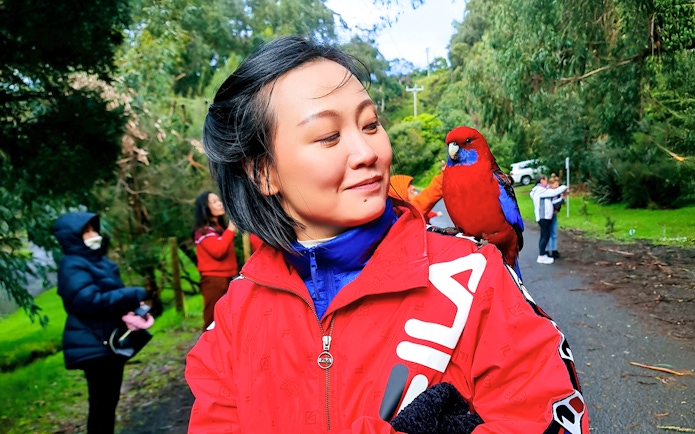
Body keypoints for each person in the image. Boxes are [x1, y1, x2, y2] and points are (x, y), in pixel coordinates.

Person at [185, 36, 589, 433]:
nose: (368, 152)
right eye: (329, 136)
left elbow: (548, 409)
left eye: (371, 124)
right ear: (263, 172)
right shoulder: (235, 315)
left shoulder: (475, 280)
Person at [53, 212, 153, 434]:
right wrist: (131, 294)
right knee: (101, 404)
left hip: (106, 340)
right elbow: (88, 301)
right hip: (94, 342)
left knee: (108, 402)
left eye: (93, 229)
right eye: (86, 231)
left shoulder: (94, 262)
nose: (94, 235)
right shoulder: (73, 265)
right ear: (72, 237)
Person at [192, 190, 238, 330]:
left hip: (228, 278)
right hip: (214, 281)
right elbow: (218, 251)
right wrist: (231, 229)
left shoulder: (218, 229)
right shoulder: (203, 232)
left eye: (219, 200)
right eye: (214, 202)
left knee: (229, 320)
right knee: (212, 321)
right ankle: (205, 350)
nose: (220, 204)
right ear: (206, 208)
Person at [530, 174, 568, 265]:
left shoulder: (541, 191)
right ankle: (541, 256)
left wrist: (562, 198)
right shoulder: (540, 190)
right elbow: (553, 193)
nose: (547, 182)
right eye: (546, 180)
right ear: (541, 181)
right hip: (543, 217)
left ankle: (543, 255)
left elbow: (551, 202)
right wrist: (564, 187)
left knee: (545, 236)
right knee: (545, 236)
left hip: (545, 216)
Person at [547, 173, 567, 259]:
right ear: (551, 184)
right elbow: (552, 203)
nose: (557, 186)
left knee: (554, 233)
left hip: (554, 214)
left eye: (558, 184)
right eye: (555, 184)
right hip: (547, 216)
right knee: (547, 233)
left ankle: (554, 250)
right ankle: (546, 250)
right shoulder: (547, 193)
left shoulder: (557, 193)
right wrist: (561, 199)